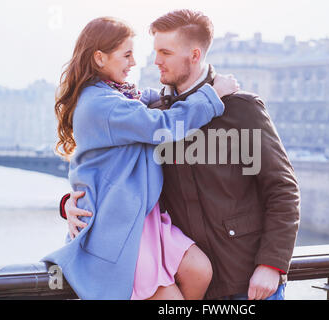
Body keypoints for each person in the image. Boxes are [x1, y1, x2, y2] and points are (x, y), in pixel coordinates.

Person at [61, 9, 301, 300]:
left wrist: (272, 263)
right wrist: (72, 204)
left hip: (247, 283)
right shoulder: (153, 115)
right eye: (154, 52)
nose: (154, 61)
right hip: (189, 282)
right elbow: (116, 170)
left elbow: (283, 189)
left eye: (165, 52)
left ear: (194, 55)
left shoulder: (240, 109)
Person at [41, 16, 240, 300]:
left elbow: (151, 99)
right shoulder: (102, 105)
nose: (134, 62)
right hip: (120, 229)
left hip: (142, 215)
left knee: (200, 270)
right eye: (127, 54)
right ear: (99, 58)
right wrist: (212, 94)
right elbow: (165, 126)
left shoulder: (116, 94)